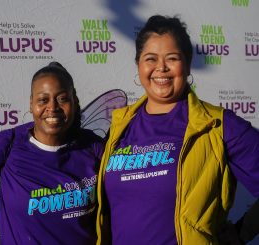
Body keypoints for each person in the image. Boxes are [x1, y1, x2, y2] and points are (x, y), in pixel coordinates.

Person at [96, 15, 259, 245]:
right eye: (150, 59)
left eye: (172, 58)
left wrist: (242, 233)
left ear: (188, 63)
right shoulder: (119, 126)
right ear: (139, 65)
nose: (161, 67)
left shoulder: (216, 125)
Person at [0, 62, 104, 245]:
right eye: (43, 100)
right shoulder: (7, 144)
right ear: (31, 104)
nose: (53, 107)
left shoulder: (92, 145)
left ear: (74, 101)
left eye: (62, 98)